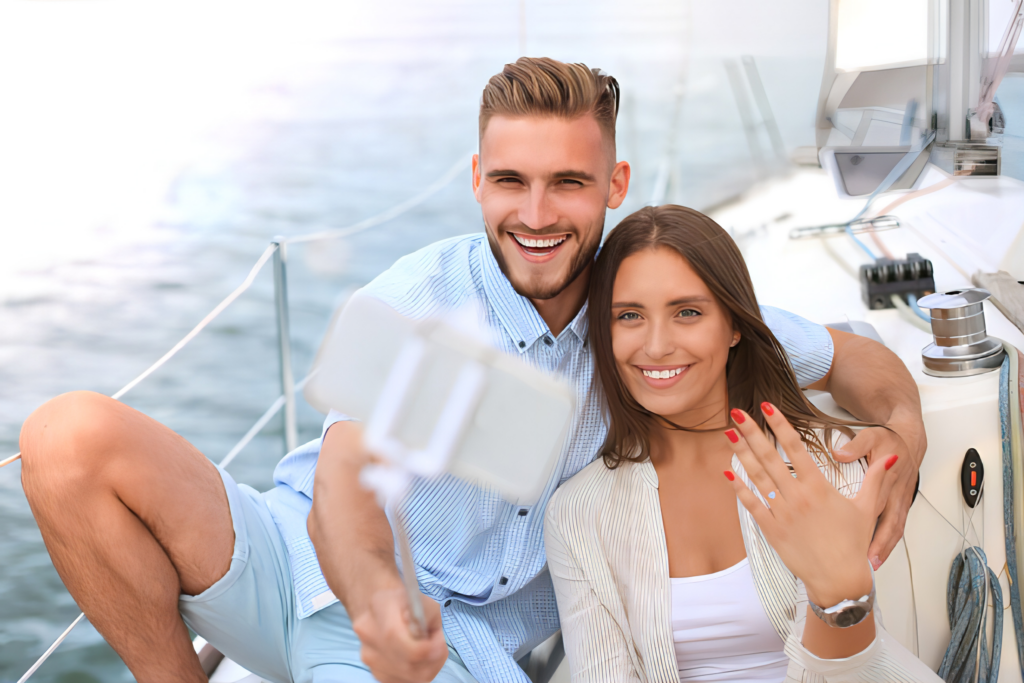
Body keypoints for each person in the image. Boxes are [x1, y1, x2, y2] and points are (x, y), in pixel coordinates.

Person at [19, 58, 927, 683]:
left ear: (613, 185)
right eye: (510, 182)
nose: (535, 213)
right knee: (65, 440)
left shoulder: (641, 321)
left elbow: (857, 361)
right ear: (476, 178)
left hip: (453, 647)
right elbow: (345, 481)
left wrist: (906, 429)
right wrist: (376, 601)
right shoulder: (416, 299)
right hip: (289, 562)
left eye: (568, 183)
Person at [545, 204, 939, 682]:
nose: (655, 345)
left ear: (733, 325)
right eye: (629, 316)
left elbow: (856, 669)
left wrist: (839, 596)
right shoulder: (578, 512)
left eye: (687, 312)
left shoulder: (832, 461)